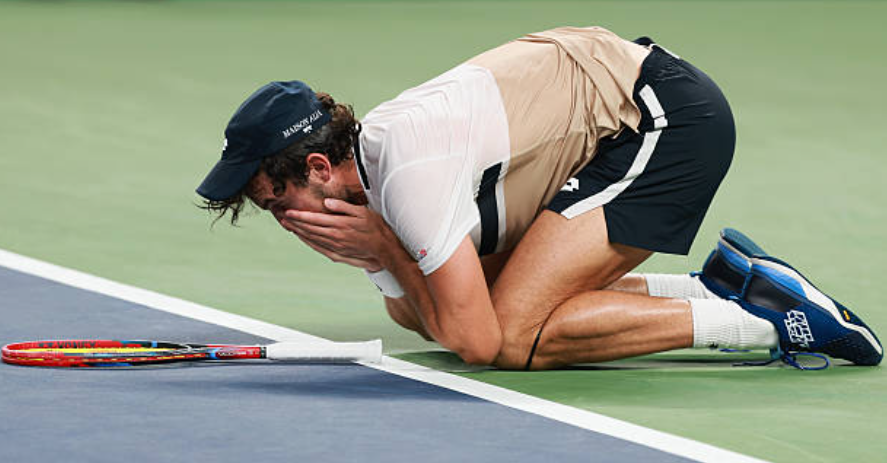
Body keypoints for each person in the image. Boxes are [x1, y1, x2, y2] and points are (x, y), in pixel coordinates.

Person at [196, 26, 881, 370]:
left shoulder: (406, 169)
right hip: (603, 118)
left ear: (318, 165)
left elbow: (475, 340)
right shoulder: (367, 179)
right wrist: (380, 253)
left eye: (274, 200)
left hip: (661, 120)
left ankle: (770, 320)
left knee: (516, 334)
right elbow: (415, 315)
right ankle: (715, 284)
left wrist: (382, 247)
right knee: (486, 304)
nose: (279, 220)